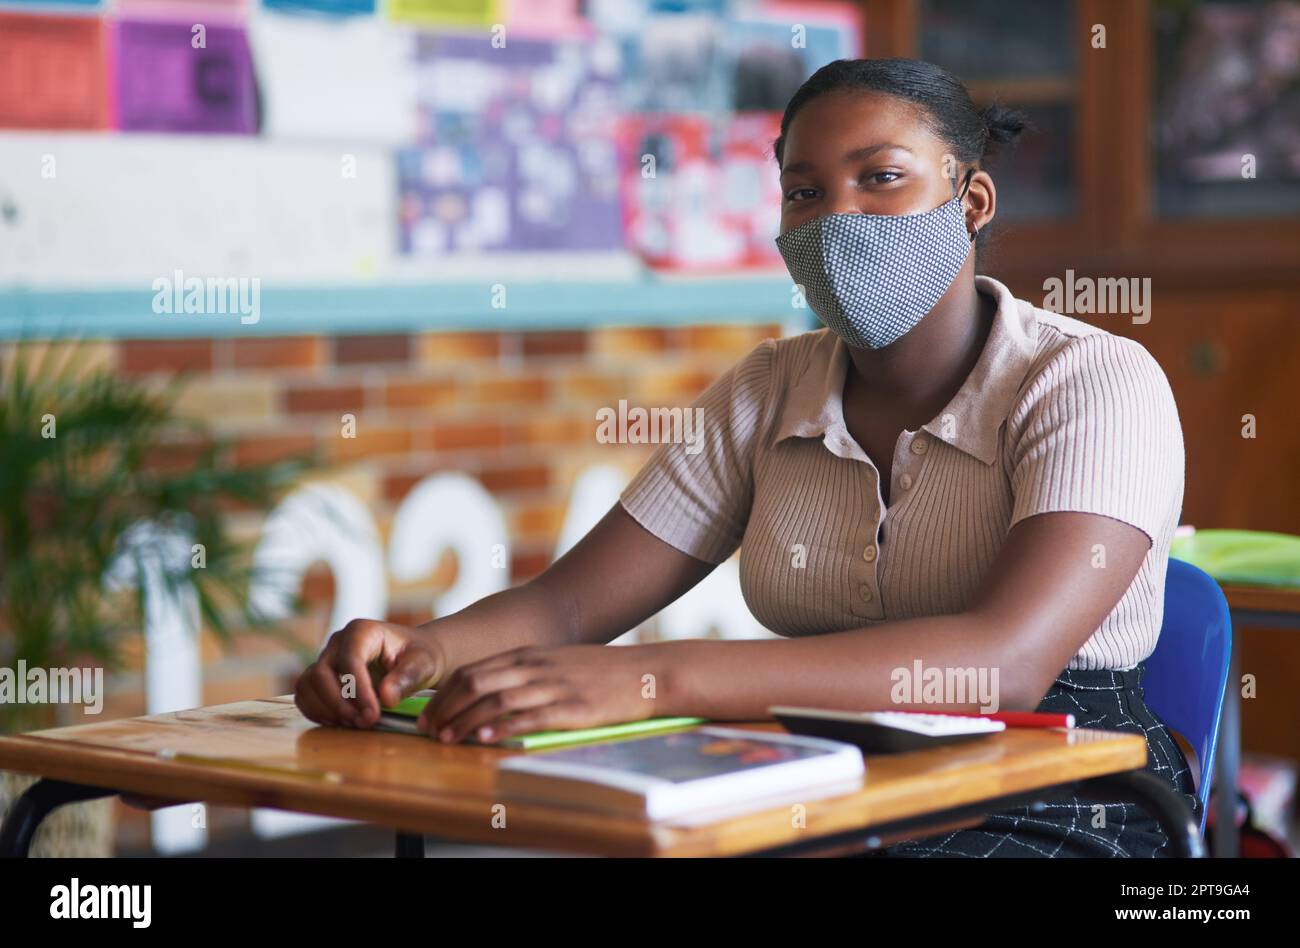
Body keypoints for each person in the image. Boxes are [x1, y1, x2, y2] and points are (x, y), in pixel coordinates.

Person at [295, 58, 1198, 857]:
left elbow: (1001, 664)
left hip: (1064, 786)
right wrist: (422, 652)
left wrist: (653, 680)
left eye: (881, 178)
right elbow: (570, 603)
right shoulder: (768, 388)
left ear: (970, 203)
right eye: (804, 192)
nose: (839, 218)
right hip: (826, 774)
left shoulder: (1092, 381)